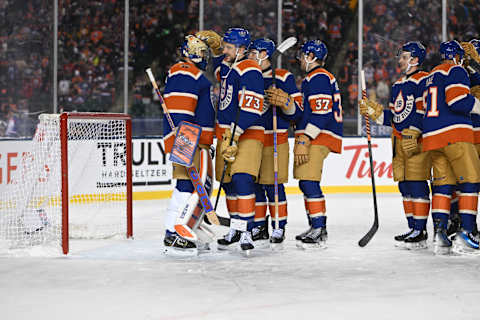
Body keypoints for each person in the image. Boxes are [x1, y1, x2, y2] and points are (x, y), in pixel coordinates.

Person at [268, 40, 343, 248]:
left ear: (311, 57)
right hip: (315, 134)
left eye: (303, 55)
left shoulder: (318, 77)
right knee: (305, 181)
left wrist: (305, 138)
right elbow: (308, 112)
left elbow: (321, 112)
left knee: (309, 182)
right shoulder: (316, 77)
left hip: (317, 136)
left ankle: (319, 227)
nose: (300, 58)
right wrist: (289, 106)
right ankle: (315, 225)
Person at [198, 27, 265, 253]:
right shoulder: (229, 65)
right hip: (226, 133)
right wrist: (217, 50)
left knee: (243, 180)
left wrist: (235, 134)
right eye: (224, 46)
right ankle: (236, 228)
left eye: (228, 47)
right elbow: (218, 68)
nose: (224, 51)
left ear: (242, 49)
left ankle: (246, 230)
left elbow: (252, 108)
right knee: (228, 183)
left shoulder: (250, 69)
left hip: (247, 134)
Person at [360, 42, 431, 249]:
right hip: (398, 139)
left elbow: (425, 109)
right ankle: (412, 227)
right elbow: (395, 116)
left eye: (404, 56)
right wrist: (374, 113)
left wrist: (417, 131)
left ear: (415, 59)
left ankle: (420, 230)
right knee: (404, 184)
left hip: (417, 140)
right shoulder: (398, 84)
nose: (399, 60)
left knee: (417, 183)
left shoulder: (424, 80)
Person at [422, 40, 480, 254]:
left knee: (443, 186)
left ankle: (440, 235)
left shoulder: (431, 75)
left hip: (433, 138)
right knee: (470, 181)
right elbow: (457, 100)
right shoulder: (455, 70)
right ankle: (466, 234)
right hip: (455, 133)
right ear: (457, 56)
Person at [161, 35, 216, 255]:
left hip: (192, 138)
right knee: (188, 184)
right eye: (202, 53)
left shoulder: (191, 72)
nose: (205, 57)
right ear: (191, 52)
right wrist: (185, 142)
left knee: (191, 184)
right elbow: (180, 109)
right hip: (186, 137)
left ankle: (179, 228)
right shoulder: (184, 70)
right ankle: (174, 233)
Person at [247, 38, 302, 247]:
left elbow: (298, 113)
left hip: (274, 138)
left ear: (265, 55)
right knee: (255, 186)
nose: (250, 56)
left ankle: (279, 225)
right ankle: (259, 226)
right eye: (249, 53)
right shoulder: (248, 75)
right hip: (251, 139)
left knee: (274, 186)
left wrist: (286, 103)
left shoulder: (283, 77)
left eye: (254, 53)